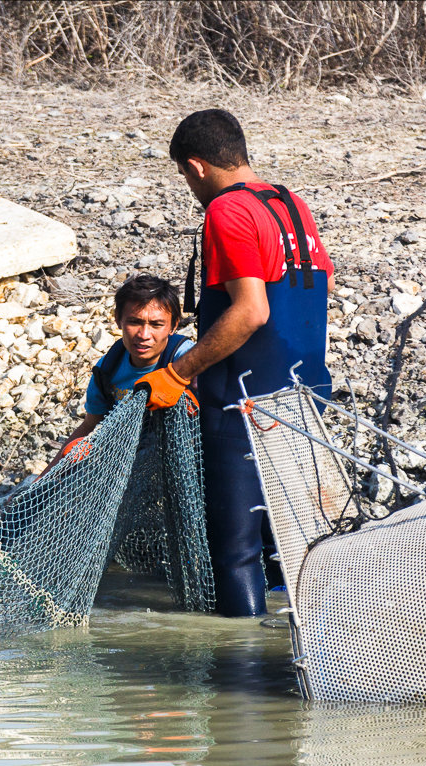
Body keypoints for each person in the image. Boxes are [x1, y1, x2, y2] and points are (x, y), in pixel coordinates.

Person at [136, 109, 336, 617]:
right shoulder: (291, 205)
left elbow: (251, 311)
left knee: (236, 554)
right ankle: (297, 665)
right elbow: (320, 286)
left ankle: (241, 673)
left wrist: (178, 373)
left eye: (184, 174)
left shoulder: (226, 212)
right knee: (296, 550)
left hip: (245, 402)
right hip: (304, 394)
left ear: (197, 166)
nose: (189, 185)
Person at [46, 274, 194, 472]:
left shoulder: (187, 358)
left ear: (174, 326)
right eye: (134, 322)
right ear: (118, 320)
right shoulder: (108, 369)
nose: (144, 335)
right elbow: (89, 425)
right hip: (132, 461)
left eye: (156, 325)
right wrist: (43, 481)